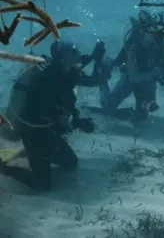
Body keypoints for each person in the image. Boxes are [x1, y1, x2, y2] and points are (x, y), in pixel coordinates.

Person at [0, 40, 105, 191]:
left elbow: (92, 79)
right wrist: (71, 123)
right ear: (65, 56)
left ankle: (31, 154)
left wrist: (97, 57)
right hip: (34, 133)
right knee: (42, 185)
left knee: (71, 163)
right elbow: (37, 112)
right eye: (74, 51)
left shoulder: (67, 73)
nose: (79, 54)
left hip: (50, 133)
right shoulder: (46, 80)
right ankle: (4, 168)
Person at [96, 10, 164, 125]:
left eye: (154, 30)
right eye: (149, 30)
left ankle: (132, 112)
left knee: (141, 118)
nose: (153, 34)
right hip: (130, 79)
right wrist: (154, 73)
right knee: (107, 107)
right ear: (143, 31)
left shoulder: (159, 43)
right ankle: (103, 74)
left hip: (148, 82)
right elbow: (134, 76)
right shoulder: (134, 46)